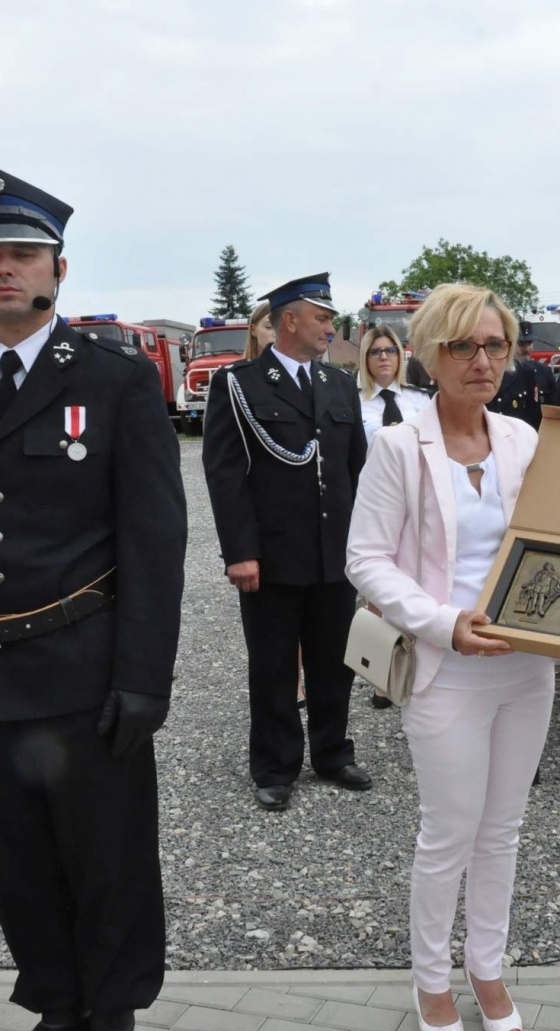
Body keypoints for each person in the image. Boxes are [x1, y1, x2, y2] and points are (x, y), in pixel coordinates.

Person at [0, 165, 187, 1031]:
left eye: (22, 254)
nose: (4, 270)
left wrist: (144, 677)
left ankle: (113, 1015)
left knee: (106, 856)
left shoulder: (114, 380)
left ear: (58, 267)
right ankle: (58, 1008)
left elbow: (154, 541)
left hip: (81, 662)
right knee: (17, 859)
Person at [344, 283, 550, 1031]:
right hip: (446, 666)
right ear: (431, 354)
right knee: (449, 832)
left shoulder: (525, 439)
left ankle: (487, 967)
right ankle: (431, 977)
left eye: (495, 344)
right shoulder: (400, 445)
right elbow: (363, 558)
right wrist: (443, 623)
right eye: (464, 345)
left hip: (527, 665)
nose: (482, 360)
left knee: (503, 829)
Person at [201, 272, 371, 812]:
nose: (331, 326)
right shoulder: (239, 383)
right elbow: (225, 474)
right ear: (289, 320)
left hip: (333, 552)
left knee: (334, 659)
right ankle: (275, 765)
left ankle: (332, 752)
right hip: (272, 554)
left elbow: (354, 469)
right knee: (273, 664)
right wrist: (240, 552)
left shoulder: (340, 385)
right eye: (322, 318)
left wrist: (365, 546)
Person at [356, 324, 431, 444]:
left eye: (391, 351)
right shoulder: (354, 401)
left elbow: (432, 444)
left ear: (399, 356)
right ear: (365, 358)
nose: (384, 357)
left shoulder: (419, 398)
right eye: (375, 352)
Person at [486, 320, 557, 429]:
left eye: (530, 343)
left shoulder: (537, 372)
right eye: (522, 344)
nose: (527, 349)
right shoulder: (492, 370)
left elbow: (535, 413)